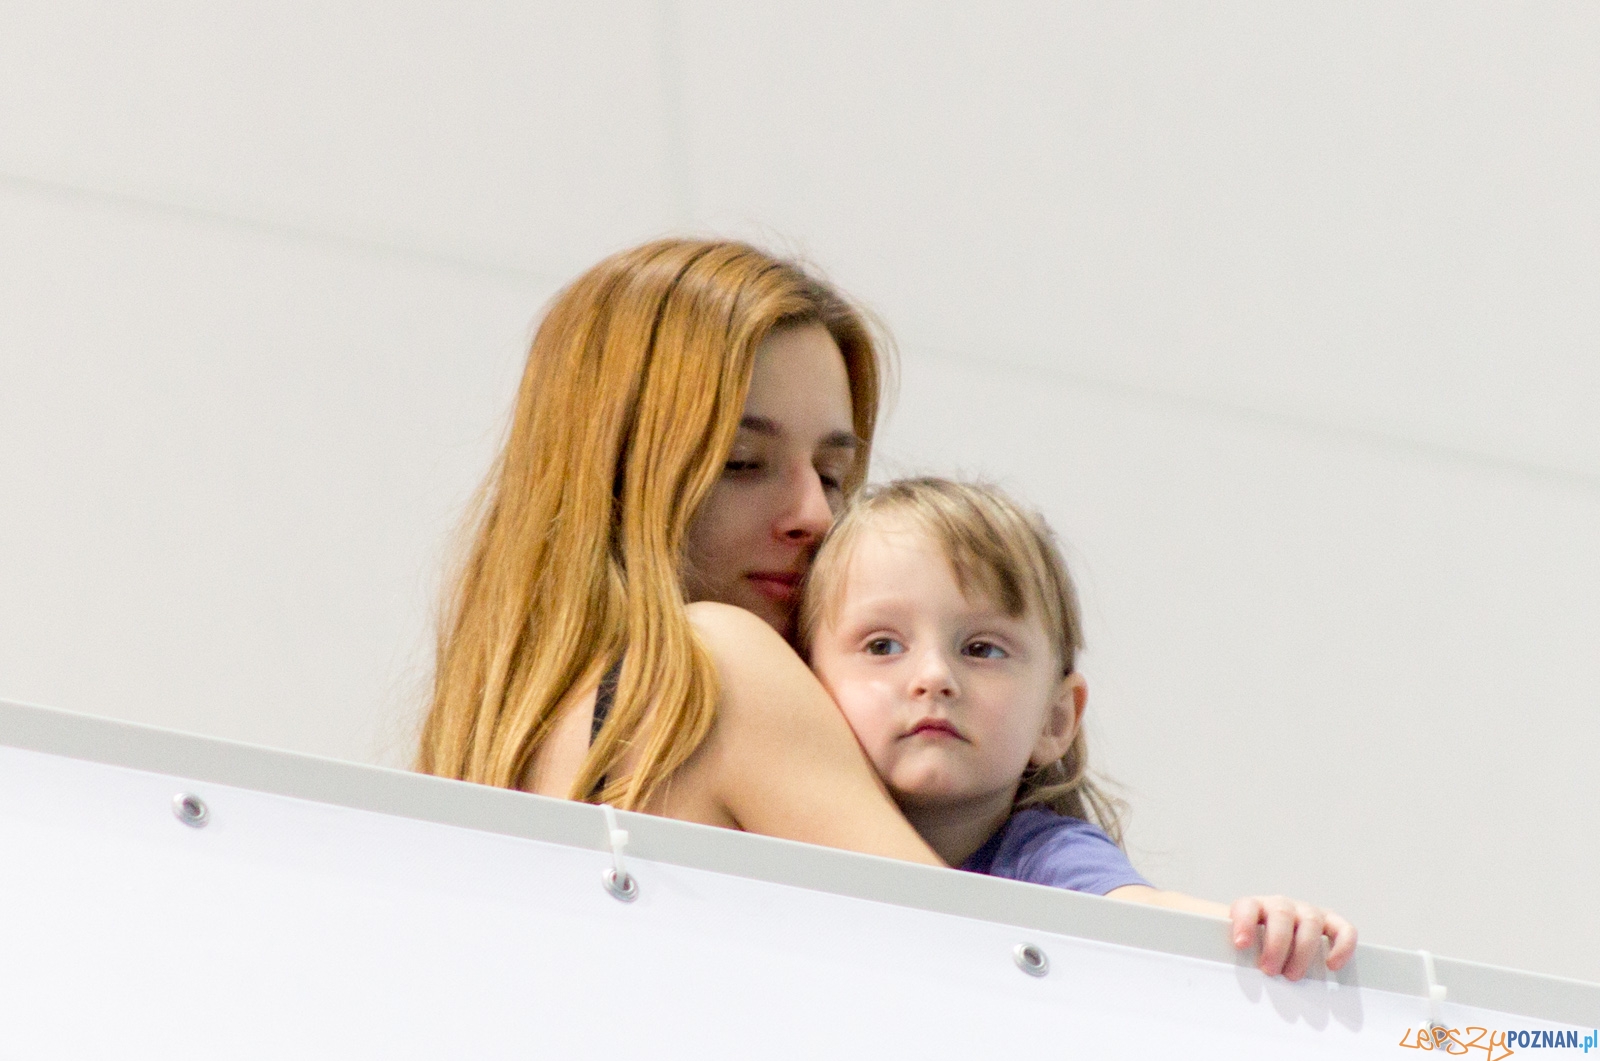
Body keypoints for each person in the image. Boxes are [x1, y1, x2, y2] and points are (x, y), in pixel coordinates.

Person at [416, 237, 943, 865]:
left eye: (832, 475)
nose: (816, 516)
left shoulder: (510, 753)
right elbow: (964, 930)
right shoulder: (717, 666)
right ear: (611, 476)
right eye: (742, 463)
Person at [799, 477, 1358, 980]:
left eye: (982, 649)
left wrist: (1259, 927)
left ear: (1055, 719)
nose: (934, 678)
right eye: (882, 646)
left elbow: (1145, 915)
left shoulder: (1046, 855)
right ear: (802, 682)